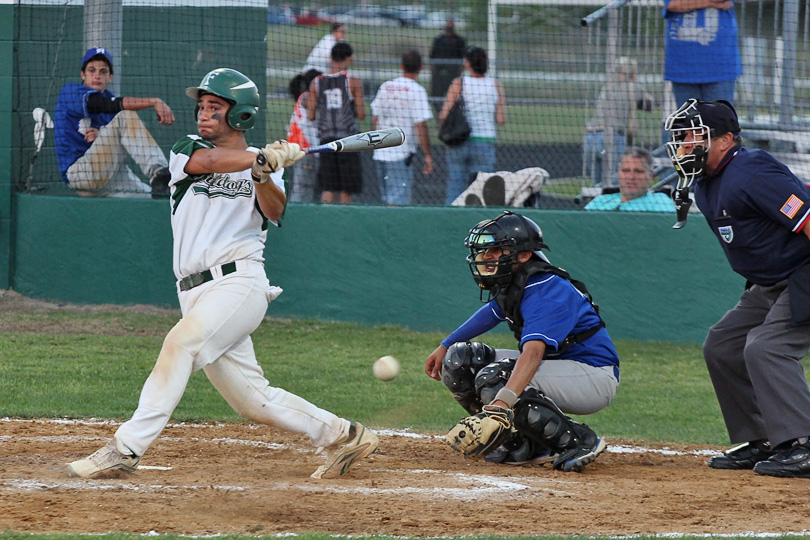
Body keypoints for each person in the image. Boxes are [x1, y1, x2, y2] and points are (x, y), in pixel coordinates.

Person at [66, 68, 379, 480]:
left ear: (241, 115)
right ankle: (344, 434)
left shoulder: (266, 166)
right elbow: (209, 162)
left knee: (179, 345)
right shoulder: (187, 149)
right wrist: (259, 157)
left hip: (240, 283)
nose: (204, 113)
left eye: (215, 107)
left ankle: (126, 447)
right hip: (194, 291)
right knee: (253, 401)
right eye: (202, 106)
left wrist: (263, 173)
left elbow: (274, 210)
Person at [665, 98, 810, 478]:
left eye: (694, 136)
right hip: (771, 282)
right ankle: (762, 438)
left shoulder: (752, 170)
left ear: (726, 139)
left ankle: (803, 443)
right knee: (722, 345)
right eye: (681, 138)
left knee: (767, 347)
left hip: (804, 273)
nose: (684, 146)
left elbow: (807, 216)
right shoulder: (705, 181)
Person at [424, 211, 619, 472]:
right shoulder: (518, 281)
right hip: (558, 369)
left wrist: (501, 404)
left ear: (524, 255)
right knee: (461, 361)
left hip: (591, 376)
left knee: (495, 378)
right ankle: (519, 444)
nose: (486, 257)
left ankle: (577, 440)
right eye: (485, 252)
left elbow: (533, 355)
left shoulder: (547, 290)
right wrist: (446, 345)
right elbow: (491, 313)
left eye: (496, 250)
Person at [54, 47, 174, 198]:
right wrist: (154, 102)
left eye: (103, 72)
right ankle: (159, 172)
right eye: (92, 70)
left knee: (151, 199)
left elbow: (112, 128)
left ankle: (163, 185)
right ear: (82, 74)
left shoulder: (110, 99)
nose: (97, 75)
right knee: (126, 116)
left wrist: (102, 134)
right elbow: (102, 104)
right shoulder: (71, 91)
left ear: (110, 77)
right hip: (79, 173)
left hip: (108, 173)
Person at [439, 46, 505, 205]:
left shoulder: (459, 83)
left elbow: (443, 115)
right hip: (485, 142)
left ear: (468, 63)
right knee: (482, 192)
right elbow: (501, 118)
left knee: (455, 188)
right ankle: (479, 226)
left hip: (459, 141)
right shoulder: (495, 85)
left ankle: (450, 223)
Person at [370, 50, 434, 206]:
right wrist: (427, 155)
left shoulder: (386, 86)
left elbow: (375, 118)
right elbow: (421, 125)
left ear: (401, 66)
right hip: (400, 153)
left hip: (380, 152)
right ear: (420, 68)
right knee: (398, 203)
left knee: (387, 200)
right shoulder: (417, 90)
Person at [583, 57, 654, 187]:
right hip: (612, 137)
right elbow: (650, 105)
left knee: (598, 184)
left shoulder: (607, 87)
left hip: (590, 137)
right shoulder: (633, 88)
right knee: (616, 181)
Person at [308, 42, 365, 204]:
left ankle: (326, 221)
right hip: (348, 140)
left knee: (328, 186)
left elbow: (311, 115)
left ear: (331, 58)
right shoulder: (352, 81)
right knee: (347, 187)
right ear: (349, 59)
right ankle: (345, 222)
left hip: (326, 140)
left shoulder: (316, 82)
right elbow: (361, 114)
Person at [663, 0, 742, 108]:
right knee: (689, 122)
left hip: (720, 65)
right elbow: (674, 4)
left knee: (718, 121)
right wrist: (712, 3)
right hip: (682, 66)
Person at [585, 147, 674, 212]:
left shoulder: (660, 203)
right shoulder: (600, 201)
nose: (631, 177)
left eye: (638, 171)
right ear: (618, 174)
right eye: (626, 171)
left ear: (650, 176)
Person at [286, 69, 322, 203]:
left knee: (305, 187)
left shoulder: (305, 97)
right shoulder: (307, 97)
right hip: (305, 149)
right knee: (303, 188)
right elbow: (313, 113)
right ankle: (298, 215)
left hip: (305, 149)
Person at [428, 18, 467, 110]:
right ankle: (439, 114)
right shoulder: (439, 40)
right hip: (439, 74)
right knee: (437, 96)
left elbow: (463, 57)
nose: (449, 26)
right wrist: (433, 71)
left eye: (451, 24)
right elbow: (432, 57)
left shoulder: (459, 41)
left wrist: (460, 70)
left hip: (453, 74)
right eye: (448, 23)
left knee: (455, 97)